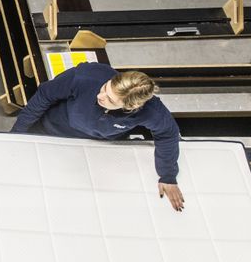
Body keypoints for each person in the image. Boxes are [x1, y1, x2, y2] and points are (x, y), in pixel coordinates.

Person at [11, 62, 184, 211]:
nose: (100, 96)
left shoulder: (151, 111)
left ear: (132, 107)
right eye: (105, 88)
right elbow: (44, 96)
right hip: (50, 130)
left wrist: (168, 175)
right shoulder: (86, 76)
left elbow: (167, 134)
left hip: (91, 149)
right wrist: (17, 134)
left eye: (110, 99)